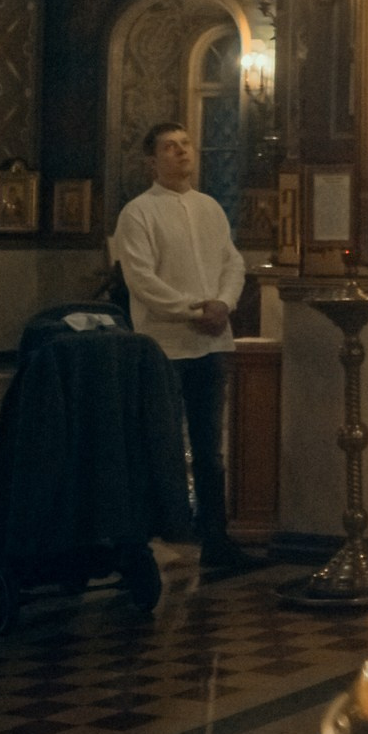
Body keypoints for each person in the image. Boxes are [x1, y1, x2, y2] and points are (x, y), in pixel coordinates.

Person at [112, 121, 256, 569]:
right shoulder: (138, 212)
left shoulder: (210, 207)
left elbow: (233, 263)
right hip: (165, 347)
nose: (181, 152)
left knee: (210, 448)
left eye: (186, 144)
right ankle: (156, 536)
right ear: (151, 161)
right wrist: (197, 310)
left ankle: (215, 538)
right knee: (161, 444)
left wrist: (224, 304)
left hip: (212, 345)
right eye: (169, 148)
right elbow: (142, 281)